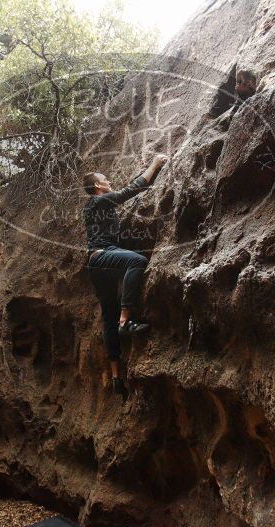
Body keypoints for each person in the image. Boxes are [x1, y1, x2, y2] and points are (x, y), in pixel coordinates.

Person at [82, 154, 169, 397]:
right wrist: (155, 164)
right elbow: (129, 191)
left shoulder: (94, 207)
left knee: (107, 316)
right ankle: (126, 320)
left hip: (96, 264)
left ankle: (116, 377)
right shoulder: (97, 201)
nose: (108, 181)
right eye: (105, 180)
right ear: (98, 186)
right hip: (103, 256)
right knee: (137, 261)